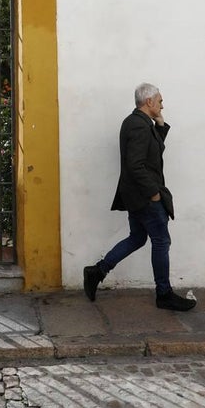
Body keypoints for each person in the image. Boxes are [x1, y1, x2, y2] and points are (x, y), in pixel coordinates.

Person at [84, 83, 196, 311]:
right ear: (149, 102)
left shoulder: (141, 123)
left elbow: (151, 152)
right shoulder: (138, 126)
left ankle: (97, 271)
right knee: (161, 241)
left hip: (136, 195)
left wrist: (161, 126)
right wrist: (153, 193)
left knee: (137, 238)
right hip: (145, 197)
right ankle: (163, 293)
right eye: (160, 101)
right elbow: (136, 165)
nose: (163, 105)